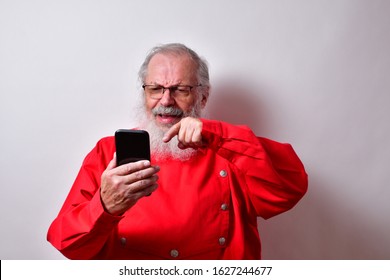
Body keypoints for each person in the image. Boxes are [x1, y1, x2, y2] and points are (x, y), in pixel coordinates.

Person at [47, 43, 308, 260]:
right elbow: (67, 243)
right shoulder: (107, 153)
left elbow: (289, 189)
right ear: (145, 94)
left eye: (180, 89)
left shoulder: (231, 150)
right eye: (156, 89)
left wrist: (217, 135)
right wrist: (104, 207)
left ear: (203, 97)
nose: (166, 100)